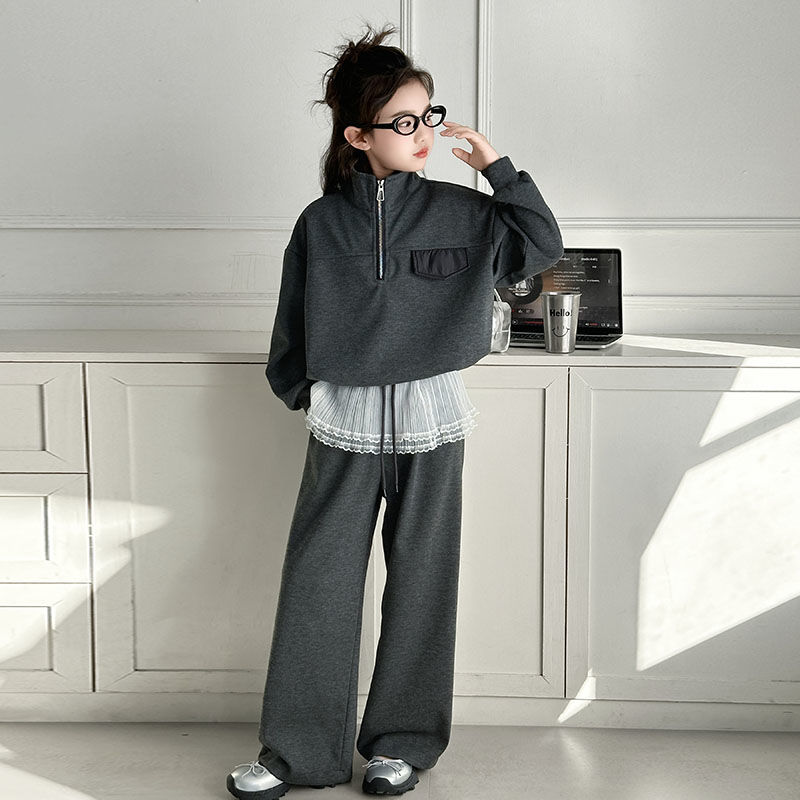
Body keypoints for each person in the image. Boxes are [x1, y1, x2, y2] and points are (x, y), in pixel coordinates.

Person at [226, 21, 563, 800]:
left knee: (423, 580)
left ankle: (401, 744)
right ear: (358, 136)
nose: (423, 134)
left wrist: (498, 169)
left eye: (427, 116)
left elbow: (541, 244)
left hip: (430, 419)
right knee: (318, 583)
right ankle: (296, 753)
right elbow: (290, 325)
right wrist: (306, 391)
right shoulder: (320, 224)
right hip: (343, 421)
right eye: (403, 121)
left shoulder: (464, 212)